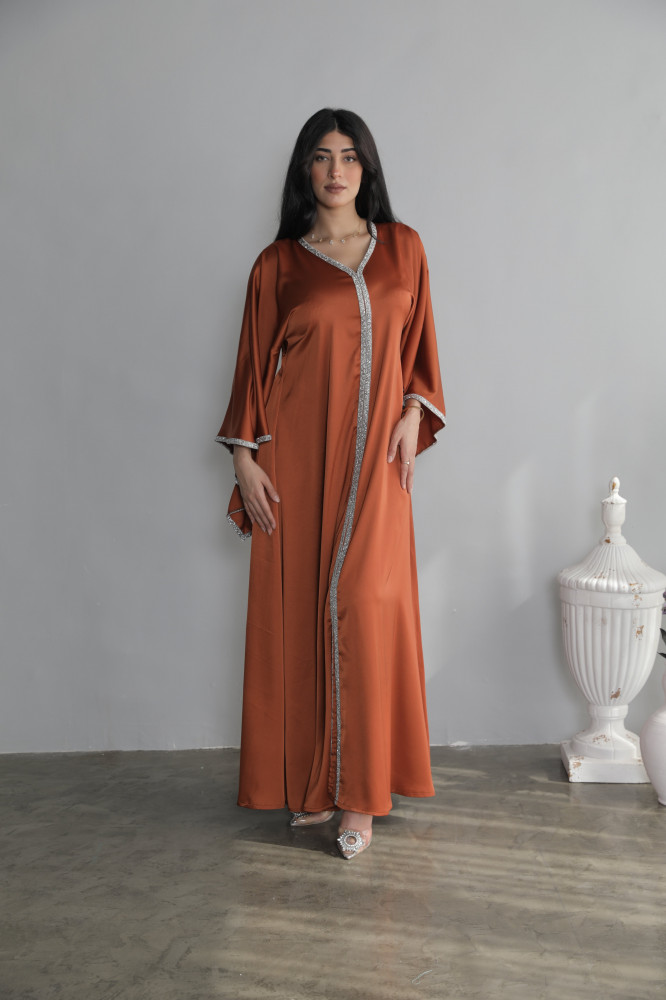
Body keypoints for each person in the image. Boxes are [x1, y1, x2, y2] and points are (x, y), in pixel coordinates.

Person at [216, 108, 446, 860]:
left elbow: (422, 349)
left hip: (379, 462)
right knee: (304, 616)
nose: (336, 170)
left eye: (349, 156)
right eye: (321, 157)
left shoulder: (404, 248)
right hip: (297, 463)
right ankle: (316, 786)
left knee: (363, 606)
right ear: (304, 171)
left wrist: (414, 411)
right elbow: (253, 368)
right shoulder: (278, 265)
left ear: (365, 168)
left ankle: (360, 796)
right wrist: (244, 459)